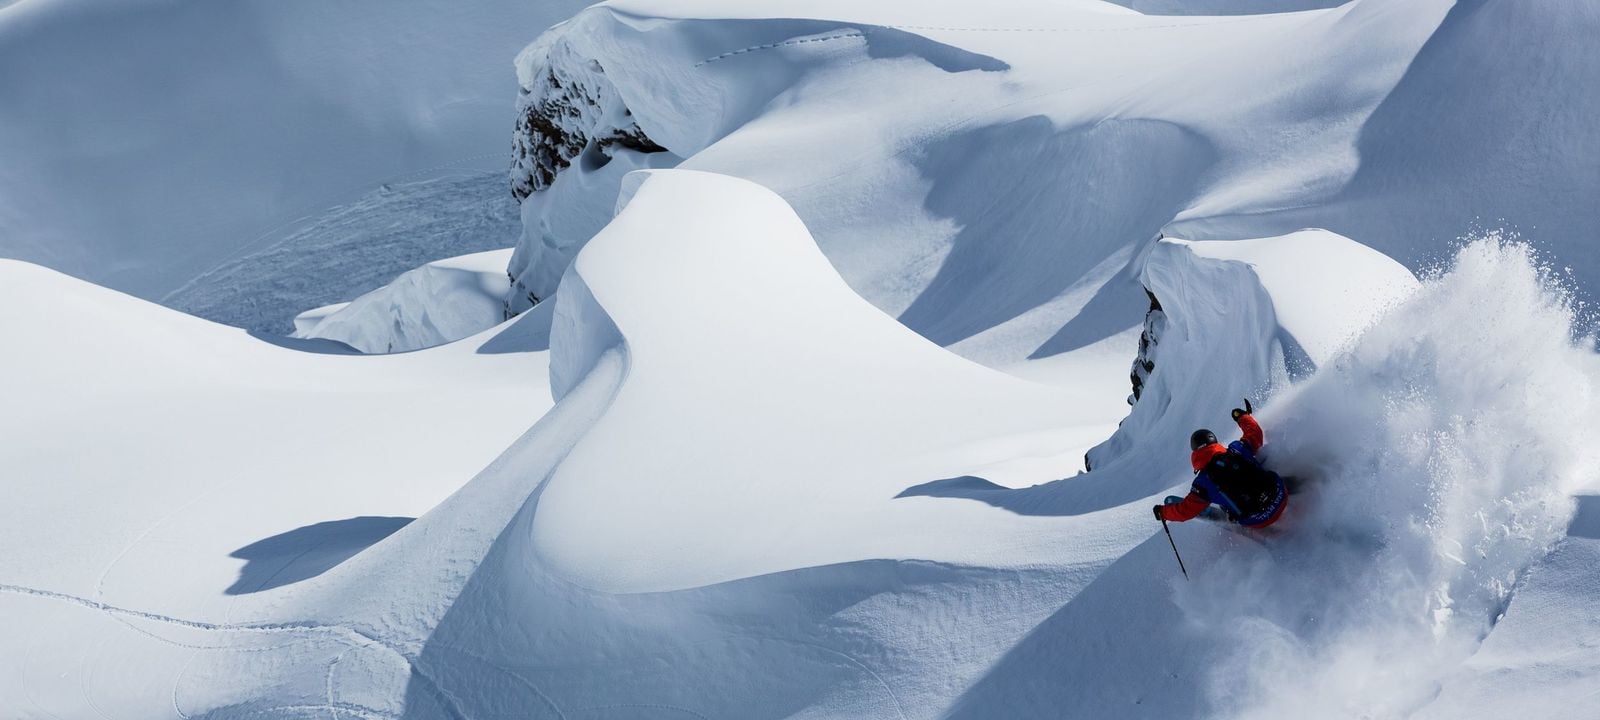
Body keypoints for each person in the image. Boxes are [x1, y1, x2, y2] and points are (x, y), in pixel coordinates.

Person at [1153, 398, 1288, 529]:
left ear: (1195, 453)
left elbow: (1185, 511)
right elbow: (1254, 433)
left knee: (1218, 497)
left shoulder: (1202, 483)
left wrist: (1162, 512)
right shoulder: (1236, 449)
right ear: (1214, 443)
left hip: (1258, 520)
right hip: (1281, 495)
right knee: (1255, 459)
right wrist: (1242, 417)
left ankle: (1230, 513)